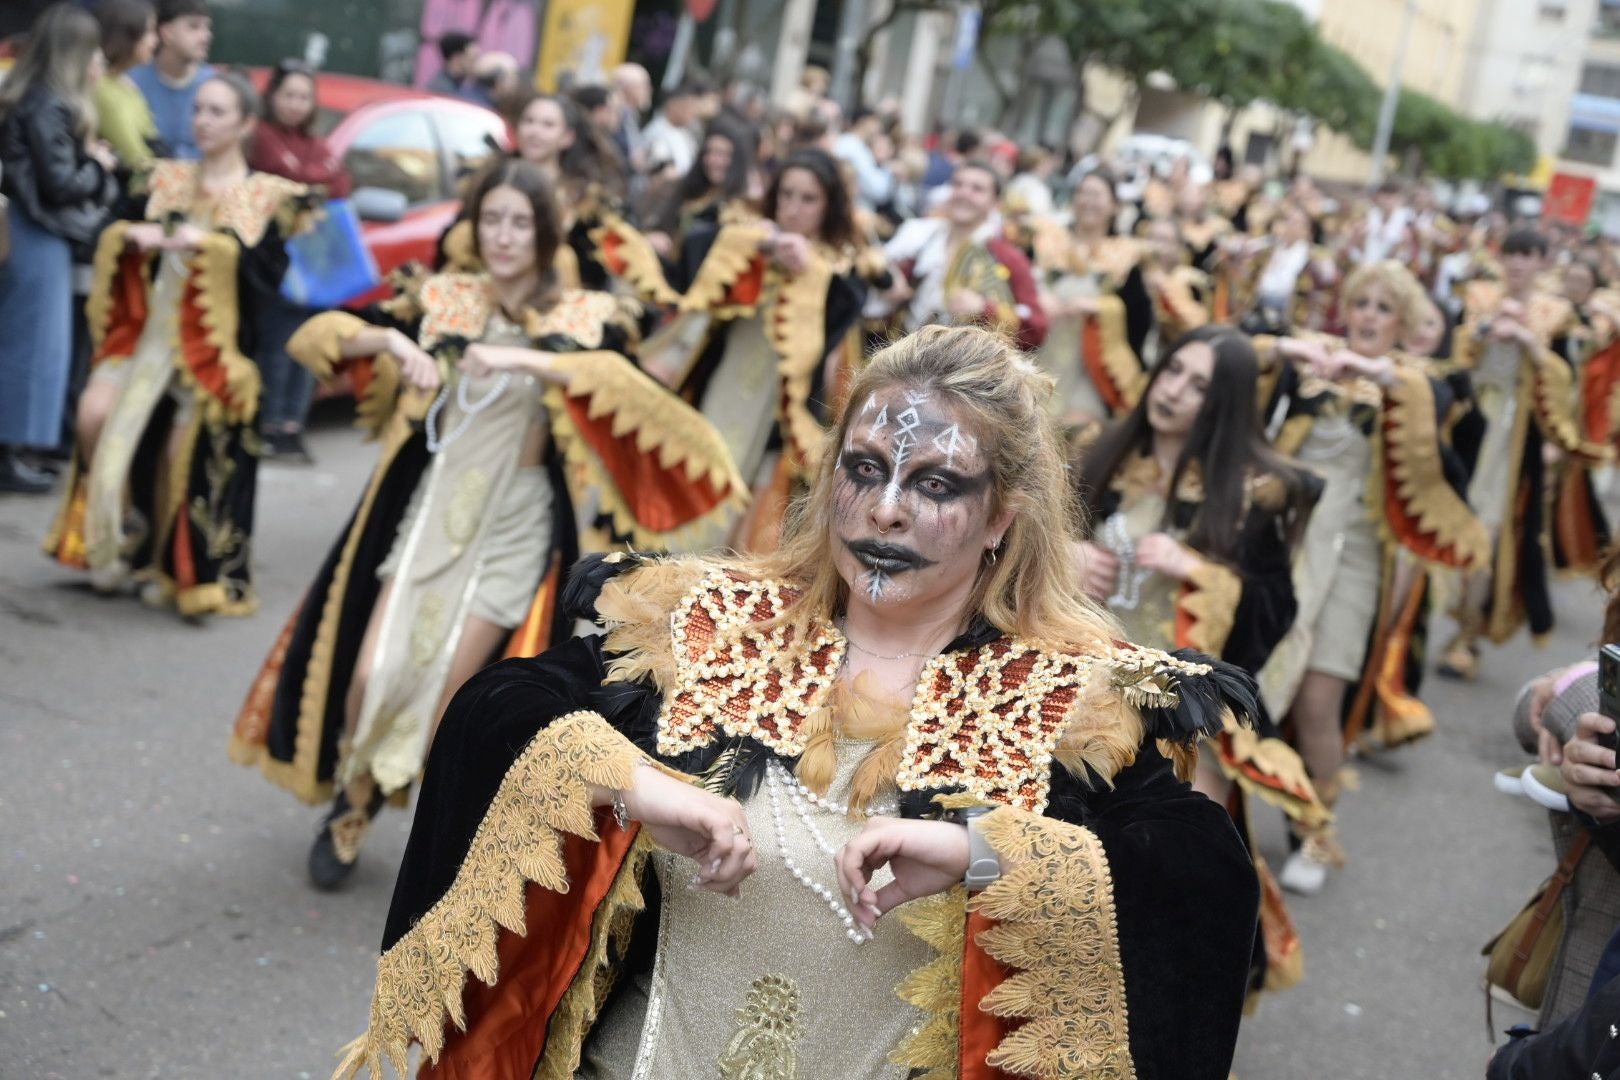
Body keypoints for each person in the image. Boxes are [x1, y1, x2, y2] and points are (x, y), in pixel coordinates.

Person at [326, 324, 1262, 1080]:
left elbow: (1197, 873)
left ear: (1002, 516)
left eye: (934, 485)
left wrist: (986, 851)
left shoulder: (1073, 696)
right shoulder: (704, 623)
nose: (884, 511)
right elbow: (501, 705)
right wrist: (627, 783)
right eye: (863, 468)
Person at [230, 160, 746, 890]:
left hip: (515, 525)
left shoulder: (578, 314)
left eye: (521, 223)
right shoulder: (443, 298)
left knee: (451, 694)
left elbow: (625, 386)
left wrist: (522, 357)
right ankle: (356, 797)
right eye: (493, 219)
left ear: (545, 233)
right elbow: (314, 336)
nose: (504, 237)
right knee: (373, 674)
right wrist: (391, 344)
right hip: (431, 513)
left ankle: (428, 845)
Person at [1072, 325, 1324, 998]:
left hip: (1179, 720)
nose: (1174, 392)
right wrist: (1063, 559)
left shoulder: (1250, 494)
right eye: (1171, 371)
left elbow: (1274, 614)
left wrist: (1203, 573)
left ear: (1227, 403)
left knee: (1169, 879)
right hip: (1071, 696)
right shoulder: (1097, 453)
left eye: (1198, 385)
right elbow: (1013, 544)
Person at [1255, 262, 1490, 895]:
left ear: (1406, 324)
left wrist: (1380, 376)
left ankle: (1315, 833)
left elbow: (1439, 409)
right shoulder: (1313, 357)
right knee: (1250, 691)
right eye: (1362, 303)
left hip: (1357, 557)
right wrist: (1282, 346)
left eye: (1385, 308)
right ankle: (1227, 822)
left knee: (1319, 700)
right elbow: (1237, 361)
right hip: (1283, 546)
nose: (1368, 316)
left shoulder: (1413, 384)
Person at [43, 73, 309, 615]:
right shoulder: (164, 180)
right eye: (199, 110)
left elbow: (266, 283)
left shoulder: (265, 197)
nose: (203, 121)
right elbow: (107, 232)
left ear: (245, 123)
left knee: (179, 454)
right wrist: (129, 237)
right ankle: (122, 521)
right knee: (93, 413)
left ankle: (167, 564)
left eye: (218, 112)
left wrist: (209, 245)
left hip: (210, 354)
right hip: (145, 339)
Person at [599, 148, 873, 552]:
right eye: (787, 195)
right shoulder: (749, 237)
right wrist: (754, 247)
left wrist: (811, 268)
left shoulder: (839, 268)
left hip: (773, 419)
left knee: (739, 520)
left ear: (829, 207)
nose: (794, 208)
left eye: (808, 199)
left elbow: (843, 314)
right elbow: (695, 260)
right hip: (713, 390)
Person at [1443, 228, 1614, 679]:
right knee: (1441, 519)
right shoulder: (1479, 295)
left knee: (1490, 534)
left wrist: (1531, 344)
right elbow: (1454, 355)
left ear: (1542, 261)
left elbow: (1565, 379)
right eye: (1512, 254)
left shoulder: (1555, 314)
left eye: (1528, 255)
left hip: (1514, 435)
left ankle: (1468, 635)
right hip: (1470, 421)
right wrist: (1484, 329)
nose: (1518, 263)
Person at [0, 3, 118, 494]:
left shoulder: (29, 96)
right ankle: (12, 453)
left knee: (31, 344)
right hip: (37, 232)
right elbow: (62, 183)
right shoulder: (49, 103)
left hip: (29, 228)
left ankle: (18, 449)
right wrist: (97, 165)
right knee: (32, 347)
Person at [247, 58, 351, 463]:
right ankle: (270, 425)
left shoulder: (315, 143)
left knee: (311, 341)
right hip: (274, 258)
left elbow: (339, 180)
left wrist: (307, 176)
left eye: (303, 97)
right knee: (277, 340)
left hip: (314, 262)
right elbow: (279, 172)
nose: (295, 104)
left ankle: (293, 425)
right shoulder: (262, 136)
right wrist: (313, 177)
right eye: (288, 94)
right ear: (272, 97)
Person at [438, 91, 625, 289]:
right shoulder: (490, 179)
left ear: (567, 137)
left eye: (548, 125)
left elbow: (596, 271)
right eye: (529, 121)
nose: (535, 131)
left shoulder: (586, 199)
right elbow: (452, 245)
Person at [880, 160, 1047, 350]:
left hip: (960, 370)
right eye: (958, 184)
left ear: (996, 203)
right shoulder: (921, 236)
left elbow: (1037, 329)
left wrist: (985, 309)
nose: (964, 193)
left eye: (977, 189)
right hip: (903, 354)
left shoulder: (1008, 258)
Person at [1030, 169, 1150, 423]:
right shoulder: (1048, 241)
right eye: (1082, 193)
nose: (1087, 201)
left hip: (1089, 367)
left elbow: (1139, 319)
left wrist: (1102, 307)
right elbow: (1021, 286)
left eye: (1096, 194)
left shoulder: (1124, 254)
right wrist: (1037, 298)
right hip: (1040, 353)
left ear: (1114, 206)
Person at [644, 115, 756, 259]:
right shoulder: (689, 190)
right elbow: (660, 225)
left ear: (736, 159)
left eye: (722, 154)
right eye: (709, 152)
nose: (713, 160)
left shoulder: (742, 206)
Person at [127, 0, 212, 161]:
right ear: (166, 32)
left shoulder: (215, 86)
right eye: (194, 27)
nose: (206, 37)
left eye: (207, 28)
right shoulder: (132, 82)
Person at [93, 0, 161, 172]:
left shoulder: (124, 82)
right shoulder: (102, 89)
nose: (155, 41)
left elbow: (151, 137)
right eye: (150, 32)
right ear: (127, 36)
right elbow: (136, 158)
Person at [424, 31, 476, 97]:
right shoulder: (443, 91)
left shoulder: (456, 85)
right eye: (473, 59)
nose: (476, 64)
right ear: (457, 58)